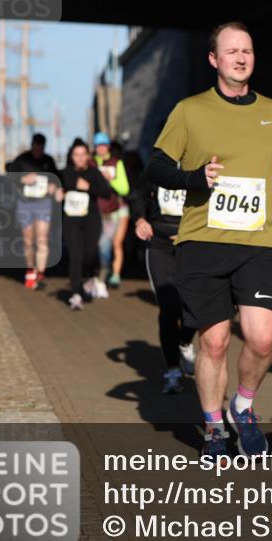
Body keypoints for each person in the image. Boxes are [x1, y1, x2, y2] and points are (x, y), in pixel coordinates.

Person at [146, 21, 272, 459]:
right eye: (231, 51)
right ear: (213, 59)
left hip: (260, 241)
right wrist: (195, 178)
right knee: (214, 342)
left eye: (247, 51)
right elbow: (156, 166)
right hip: (203, 240)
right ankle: (214, 427)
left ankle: (244, 407)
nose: (241, 58)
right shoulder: (190, 110)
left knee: (262, 339)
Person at [129, 173, 197, 394]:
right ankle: (172, 370)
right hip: (159, 244)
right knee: (169, 307)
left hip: (191, 244)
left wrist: (192, 231)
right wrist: (139, 218)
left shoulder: (202, 163)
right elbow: (137, 194)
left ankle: (185, 343)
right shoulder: (158, 166)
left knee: (194, 305)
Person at [58, 140, 115, 311]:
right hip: (71, 219)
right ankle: (75, 293)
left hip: (91, 219)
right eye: (77, 155)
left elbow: (106, 192)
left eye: (83, 155)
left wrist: (89, 187)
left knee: (89, 254)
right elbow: (53, 188)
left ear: (88, 156)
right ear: (71, 156)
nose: (80, 158)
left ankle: (90, 277)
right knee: (75, 255)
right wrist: (57, 193)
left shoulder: (93, 172)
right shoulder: (64, 173)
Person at [8, 133, 61, 290]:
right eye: (35, 146)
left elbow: (57, 179)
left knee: (42, 238)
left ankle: (41, 272)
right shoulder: (22, 160)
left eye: (41, 147)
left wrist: (55, 187)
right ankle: (30, 269)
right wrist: (22, 179)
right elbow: (10, 176)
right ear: (32, 145)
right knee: (28, 241)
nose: (38, 149)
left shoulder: (48, 161)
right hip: (25, 204)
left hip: (43, 203)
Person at [93, 133, 131, 290]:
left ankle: (115, 274)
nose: (100, 148)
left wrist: (111, 180)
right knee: (102, 243)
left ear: (108, 146)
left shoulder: (117, 163)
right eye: (97, 145)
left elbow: (125, 189)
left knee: (116, 242)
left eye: (103, 145)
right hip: (100, 209)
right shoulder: (92, 163)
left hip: (119, 209)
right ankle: (104, 268)